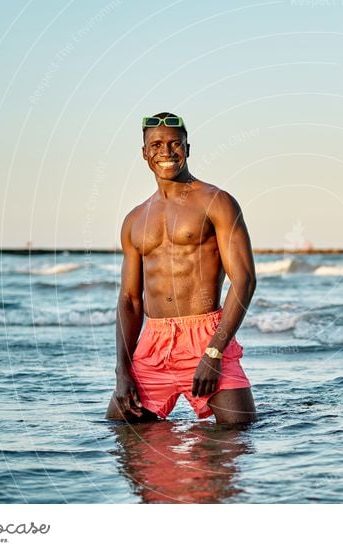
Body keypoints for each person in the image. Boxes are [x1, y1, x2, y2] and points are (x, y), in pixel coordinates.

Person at [105, 112, 257, 424]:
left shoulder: (216, 201)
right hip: (153, 345)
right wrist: (122, 370)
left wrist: (214, 352)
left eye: (175, 144)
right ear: (145, 153)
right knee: (123, 436)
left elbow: (244, 280)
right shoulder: (135, 219)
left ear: (187, 148)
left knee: (237, 435)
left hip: (206, 336)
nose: (166, 151)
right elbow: (130, 300)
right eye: (156, 144)